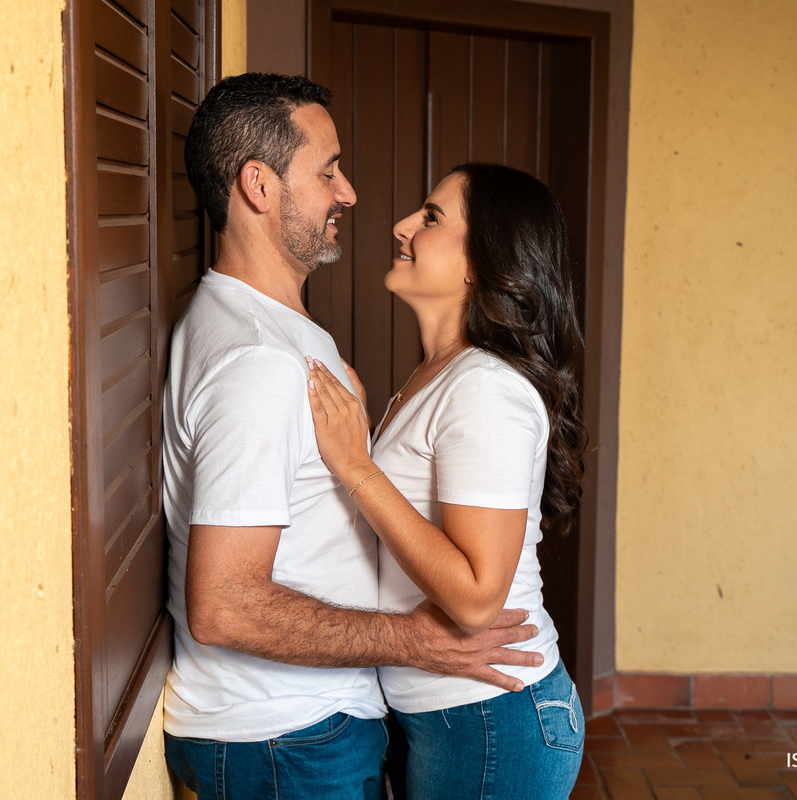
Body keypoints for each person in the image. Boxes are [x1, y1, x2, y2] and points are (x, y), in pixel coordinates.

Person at [161, 75, 543, 800]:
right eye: (327, 171)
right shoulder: (258, 361)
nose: (350, 194)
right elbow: (225, 605)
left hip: (308, 732)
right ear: (259, 186)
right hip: (287, 738)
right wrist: (410, 642)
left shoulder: (273, 332)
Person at [306, 162, 589, 800]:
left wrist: (356, 465)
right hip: (450, 714)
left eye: (431, 218)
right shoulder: (440, 375)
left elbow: (475, 597)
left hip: (493, 719)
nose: (402, 226)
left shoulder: (485, 387)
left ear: (480, 264)